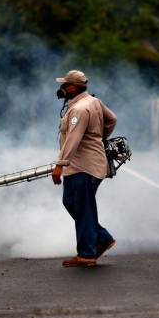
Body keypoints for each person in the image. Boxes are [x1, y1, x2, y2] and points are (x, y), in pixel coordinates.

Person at [52, 70, 117, 268]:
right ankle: (102, 237)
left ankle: (87, 254)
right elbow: (112, 119)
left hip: (84, 167)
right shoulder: (93, 102)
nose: (62, 88)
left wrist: (59, 166)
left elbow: (73, 139)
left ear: (73, 87)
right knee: (71, 202)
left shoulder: (79, 109)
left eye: (65, 85)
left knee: (82, 206)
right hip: (83, 165)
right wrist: (99, 138)